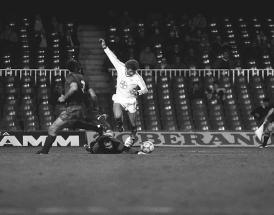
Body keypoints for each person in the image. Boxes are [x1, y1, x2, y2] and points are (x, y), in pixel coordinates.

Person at [36, 59, 106, 154]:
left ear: (68, 68)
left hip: (73, 108)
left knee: (52, 128)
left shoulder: (70, 76)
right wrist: (95, 107)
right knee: (74, 124)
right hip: (82, 109)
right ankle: (97, 128)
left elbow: (73, 88)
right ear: (77, 67)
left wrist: (63, 98)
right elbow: (93, 95)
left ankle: (44, 151)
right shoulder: (84, 78)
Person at [99, 38, 148, 147]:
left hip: (130, 101)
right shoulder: (121, 67)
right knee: (117, 116)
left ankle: (133, 135)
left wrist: (138, 92)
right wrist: (105, 47)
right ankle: (120, 125)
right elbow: (113, 58)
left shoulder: (137, 78)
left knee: (133, 124)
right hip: (119, 98)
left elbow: (145, 89)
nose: (129, 72)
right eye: (128, 70)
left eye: (132, 71)